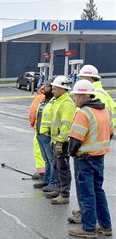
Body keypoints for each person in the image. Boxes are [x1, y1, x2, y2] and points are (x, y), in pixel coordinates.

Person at [68, 65, 116, 224]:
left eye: (75, 96)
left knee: (87, 193)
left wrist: (72, 153)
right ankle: (105, 225)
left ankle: (88, 228)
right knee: (98, 191)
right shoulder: (103, 109)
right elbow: (110, 132)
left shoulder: (83, 112)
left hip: (85, 158)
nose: (74, 98)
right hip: (99, 156)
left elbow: (75, 140)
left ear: (83, 96)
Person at [46, 76, 76, 205]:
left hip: (62, 142)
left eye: (55, 88)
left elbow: (66, 125)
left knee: (63, 168)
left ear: (63, 89)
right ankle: (58, 189)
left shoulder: (67, 103)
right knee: (57, 166)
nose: (52, 90)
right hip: (56, 140)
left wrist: (60, 141)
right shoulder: (58, 101)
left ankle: (64, 194)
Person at [33, 81, 56, 192]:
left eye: (46, 86)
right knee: (46, 159)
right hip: (40, 133)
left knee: (51, 160)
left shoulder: (53, 102)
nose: (43, 88)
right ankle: (46, 180)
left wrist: (50, 133)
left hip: (47, 135)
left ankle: (53, 182)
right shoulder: (43, 100)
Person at [28, 89, 46, 179]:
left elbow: (32, 112)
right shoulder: (58, 99)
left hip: (40, 129)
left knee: (39, 150)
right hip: (53, 131)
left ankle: (42, 171)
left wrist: (32, 123)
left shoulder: (39, 98)